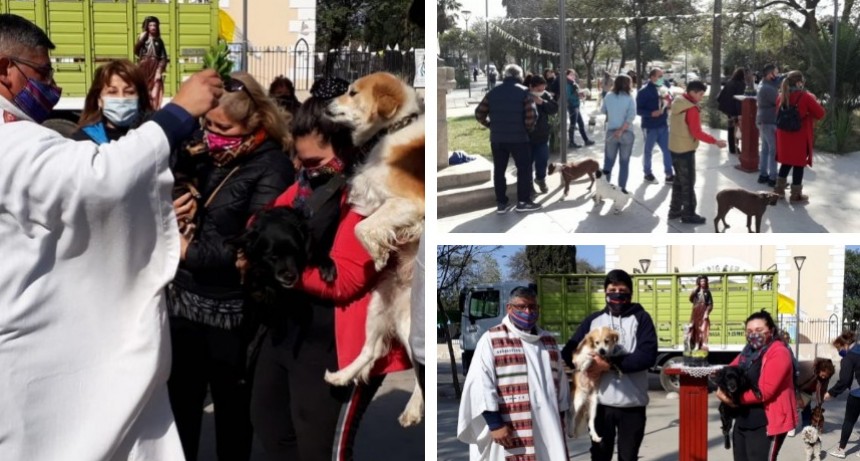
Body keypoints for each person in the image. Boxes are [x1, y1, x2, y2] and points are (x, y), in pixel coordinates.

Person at [0, 13, 222, 460]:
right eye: (41, 73)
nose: (52, 83)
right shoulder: (13, 140)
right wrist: (178, 113)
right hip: (34, 340)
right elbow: (98, 180)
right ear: (5, 69)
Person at [247, 79, 412, 461]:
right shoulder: (309, 184)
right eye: (297, 161)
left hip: (341, 345)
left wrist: (280, 268)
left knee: (320, 450)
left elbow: (344, 281)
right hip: (292, 333)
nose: (301, 172)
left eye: (312, 163)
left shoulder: (372, 198)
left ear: (348, 151)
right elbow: (263, 220)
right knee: (270, 427)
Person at [166, 71, 296, 461]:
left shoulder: (273, 167)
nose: (211, 134)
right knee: (180, 409)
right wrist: (178, 201)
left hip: (233, 312)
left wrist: (189, 252)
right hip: (184, 303)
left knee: (234, 416)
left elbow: (256, 244)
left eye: (222, 128)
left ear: (253, 124)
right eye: (207, 124)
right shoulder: (205, 155)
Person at [458, 286, 570, 461]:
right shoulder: (492, 339)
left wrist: (562, 417)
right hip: (508, 429)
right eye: (522, 307)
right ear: (509, 308)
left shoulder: (548, 341)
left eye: (533, 307)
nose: (528, 312)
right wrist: (495, 424)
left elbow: (561, 384)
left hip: (549, 427)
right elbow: (480, 384)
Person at [561, 269, 658, 461]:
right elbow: (568, 353)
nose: (617, 294)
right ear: (605, 291)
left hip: (632, 405)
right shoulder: (594, 321)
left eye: (622, 290)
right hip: (600, 405)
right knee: (599, 456)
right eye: (612, 289)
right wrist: (586, 365)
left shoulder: (641, 318)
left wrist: (608, 365)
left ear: (630, 292)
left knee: (628, 457)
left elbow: (647, 356)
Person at [714, 309, 796, 461]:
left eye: (759, 330)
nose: (754, 334)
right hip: (743, 420)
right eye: (749, 331)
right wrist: (720, 387)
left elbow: (765, 392)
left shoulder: (779, 352)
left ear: (770, 331)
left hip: (766, 421)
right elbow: (728, 371)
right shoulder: (747, 352)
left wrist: (733, 400)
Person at [474, 64, 541, 214]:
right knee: (524, 170)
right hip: (519, 138)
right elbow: (532, 115)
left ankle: (501, 203)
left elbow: (479, 113)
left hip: (497, 138)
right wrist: (527, 130)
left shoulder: (493, 92)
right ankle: (523, 202)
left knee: (499, 170)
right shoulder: (524, 92)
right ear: (519, 76)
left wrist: (491, 125)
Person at [667, 80, 728, 224]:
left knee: (679, 181)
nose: (701, 97)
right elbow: (697, 132)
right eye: (700, 94)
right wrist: (715, 141)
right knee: (688, 183)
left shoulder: (678, 101)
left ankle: (674, 210)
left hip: (674, 147)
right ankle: (688, 214)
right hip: (685, 149)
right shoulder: (691, 109)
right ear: (692, 92)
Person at [72, 59, 154, 144]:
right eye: (112, 92)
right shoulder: (83, 140)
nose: (121, 98)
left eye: (129, 92)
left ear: (140, 97)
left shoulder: (153, 135)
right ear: (99, 100)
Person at [774, 70, 825, 203]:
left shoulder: (781, 96)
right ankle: (795, 195)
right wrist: (809, 111)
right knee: (798, 164)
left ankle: (778, 190)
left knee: (786, 162)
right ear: (798, 82)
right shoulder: (806, 97)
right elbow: (820, 114)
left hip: (784, 136)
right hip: (799, 136)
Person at [824, 331, 860, 458]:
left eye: (839, 348)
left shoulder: (848, 358)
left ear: (844, 345)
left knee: (849, 421)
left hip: (857, 394)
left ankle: (841, 449)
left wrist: (831, 393)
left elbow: (844, 380)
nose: (839, 351)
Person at [636, 67, 674, 185]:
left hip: (663, 125)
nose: (662, 78)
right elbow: (638, 110)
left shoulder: (664, 88)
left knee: (667, 150)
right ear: (652, 77)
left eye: (662, 76)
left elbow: (668, 101)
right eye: (659, 76)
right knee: (648, 151)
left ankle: (669, 174)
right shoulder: (643, 91)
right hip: (650, 127)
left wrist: (668, 104)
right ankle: (647, 173)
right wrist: (650, 113)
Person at [600, 74, 637, 194]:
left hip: (611, 132)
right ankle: (621, 190)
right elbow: (631, 116)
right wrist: (621, 129)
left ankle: (604, 189)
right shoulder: (630, 98)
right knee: (624, 163)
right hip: (626, 132)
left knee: (608, 162)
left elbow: (603, 110)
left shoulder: (608, 96)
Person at [525, 74, 558, 195]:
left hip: (542, 136)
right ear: (531, 87)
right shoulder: (524, 95)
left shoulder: (545, 95)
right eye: (538, 90)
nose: (541, 91)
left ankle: (540, 179)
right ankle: (528, 186)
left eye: (543, 89)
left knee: (542, 159)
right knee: (527, 163)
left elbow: (554, 108)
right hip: (526, 137)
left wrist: (542, 102)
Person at [793, 358, 834, 435]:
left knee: (806, 405)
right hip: (795, 385)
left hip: (808, 388)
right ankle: (791, 426)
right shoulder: (808, 369)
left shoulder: (826, 376)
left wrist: (820, 402)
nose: (824, 377)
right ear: (820, 369)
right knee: (794, 407)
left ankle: (806, 426)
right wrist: (798, 398)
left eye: (826, 376)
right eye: (823, 375)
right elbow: (794, 383)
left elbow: (823, 389)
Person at [134, 15, 168, 109]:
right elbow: (136, 51)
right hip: (144, 66)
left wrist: (159, 70)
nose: (153, 27)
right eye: (150, 25)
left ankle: (154, 108)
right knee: (143, 89)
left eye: (154, 25)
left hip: (155, 66)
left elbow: (163, 57)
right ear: (147, 27)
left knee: (155, 90)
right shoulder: (143, 39)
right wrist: (141, 40)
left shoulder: (159, 41)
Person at [756, 64, 780, 187]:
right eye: (776, 73)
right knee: (773, 150)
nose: (778, 75)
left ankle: (763, 175)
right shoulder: (768, 88)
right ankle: (772, 177)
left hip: (763, 120)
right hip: (769, 121)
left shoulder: (763, 85)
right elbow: (779, 101)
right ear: (770, 74)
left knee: (765, 149)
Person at [718, 68, 746, 155]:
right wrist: (739, 114)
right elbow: (739, 99)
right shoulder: (741, 84)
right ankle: (736, 147)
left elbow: (720, 96)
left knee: (731, 128)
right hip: (735, 110)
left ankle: (732, 148)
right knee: (737, 129)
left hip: (728, 109)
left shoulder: (729, 82)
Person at [565, 69, 595, 148]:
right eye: (571, 74)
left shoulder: (572, 83)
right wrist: (577, 95)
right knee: (573, 124)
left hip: (575, 105)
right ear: (567, 75)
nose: (573, 76)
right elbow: (568, 96)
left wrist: (580, 94)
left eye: (574, 74)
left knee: (580, 124)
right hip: (572, 106)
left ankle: (585, 140)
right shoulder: (568, 84)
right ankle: (572, 142)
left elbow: (574, 94)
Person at [688, 275, 713, 351]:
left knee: (703, 328)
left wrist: (707, 312)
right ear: (699, 282)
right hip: (696, 311)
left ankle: (703, 344)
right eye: (701, 281)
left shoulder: (707, 292)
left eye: (704, 281)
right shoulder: (696, 291)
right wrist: (694, 291)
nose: (703, 283)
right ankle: (696, 344)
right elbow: (691, 299)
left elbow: (710, 304)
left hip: (703, 310)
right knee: (695, 329)